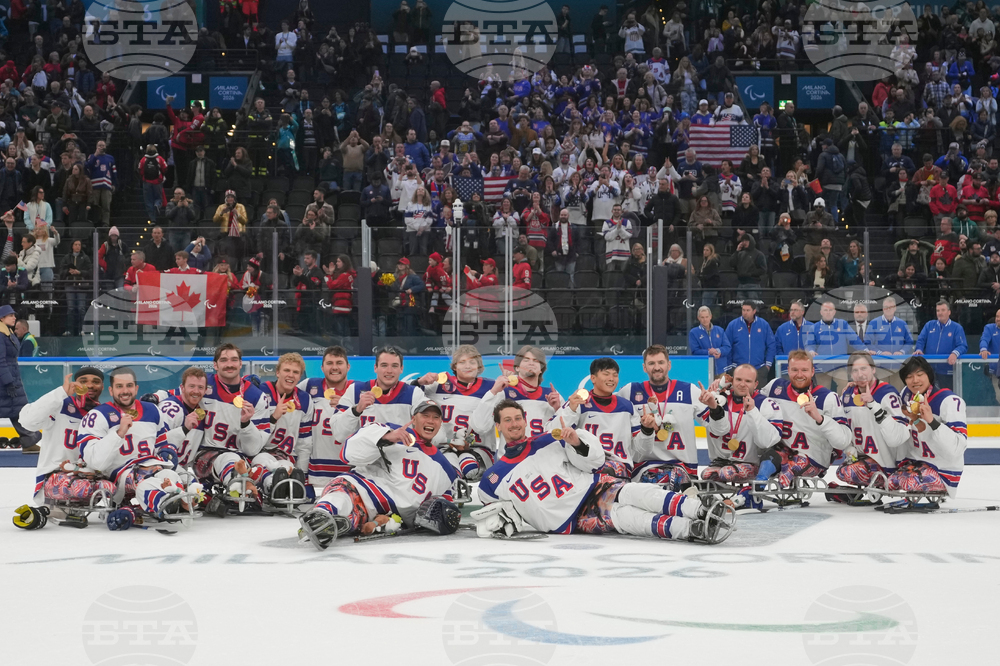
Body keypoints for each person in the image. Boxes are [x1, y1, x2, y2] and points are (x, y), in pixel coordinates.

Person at [473, 399, 732, 543]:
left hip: (592, 486)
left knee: (639, 493)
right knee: (629, 520)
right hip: (570, 520)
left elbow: (594, 460)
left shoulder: (548, 440)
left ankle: (699, 510)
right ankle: (691, 530)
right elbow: (491, 516)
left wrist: (576, 442)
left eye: (517, 418)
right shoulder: (490, 480)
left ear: (525, 421)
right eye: (507, 420)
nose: (514, 424)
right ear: (498, 425)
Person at [298, 400, 461, 549]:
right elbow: (348, 453)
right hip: (362, 488)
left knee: (355, 517)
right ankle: (322, 515)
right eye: (425, 415)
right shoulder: (390, 431)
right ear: (414, 418)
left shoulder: (446, 469)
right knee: (342, 494)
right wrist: (386, 438)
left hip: (385, 513)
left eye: (435, 417)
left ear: (440, 423)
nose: (430, 421)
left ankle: (338, 523)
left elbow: (443, 507)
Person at [75, 367, 194, 529]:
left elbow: (161, 443)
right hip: (122, 475)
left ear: (136, 388)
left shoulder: (152, 410)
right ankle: (166, 504)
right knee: (145, 483)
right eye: (119, 386)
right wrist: (119, 433)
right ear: (110, 390)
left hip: (153, 466)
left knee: (170, 473)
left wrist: (167, 451)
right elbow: (96, 462)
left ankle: (181, 499)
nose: (125, 391)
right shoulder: (98, 415)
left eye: (129, 385)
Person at [615, 345, 708, 489]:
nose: (656, 367)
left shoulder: (689, 391)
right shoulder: (631, 391)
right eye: (651, 363)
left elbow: (716, 427)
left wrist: (715, 407)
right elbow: (605, 404)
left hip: (683, 467)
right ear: (644, 367)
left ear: (669, 365)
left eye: (661, 362)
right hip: (643, 467)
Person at [757, 350, 853, 490]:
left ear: (812, 371)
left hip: (813, 458)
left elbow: (843, 441)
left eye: (804, 370)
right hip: (782, 451)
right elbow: (751, 400)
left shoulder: (827, 398)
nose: (799, 374)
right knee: (765, 460)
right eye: (795, 370)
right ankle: (753, 493)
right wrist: (726, 389)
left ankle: (754, 494)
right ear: (788, 370)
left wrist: (820, 419)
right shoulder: (774, 387)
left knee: (789, 468)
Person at [550, 357, 656, 477]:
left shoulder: (627, 407)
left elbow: (643, 450)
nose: (611, 379)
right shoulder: (578, 403)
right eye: (606, 374)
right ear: (593, 378)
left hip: (619, 471)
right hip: (585, 470)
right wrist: (571, 410)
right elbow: (552, 432)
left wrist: (647, 430)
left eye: (615, 375)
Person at [19, 368, 105, 505]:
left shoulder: (103, 414)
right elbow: (27, 422)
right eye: (83, 381)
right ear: (75, 384)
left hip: (86, 478)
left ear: (102, 387)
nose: (90, 385)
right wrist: (61, 392)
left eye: (96, 382)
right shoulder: (59, 405)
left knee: (111, 487)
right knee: (84, 488)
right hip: (55, 478)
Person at [830, 353, 910, 499]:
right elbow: (842, 427)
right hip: (861, 456)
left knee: (848, 473)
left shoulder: (887, 393)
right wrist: (848, 448)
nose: (860, 374)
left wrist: (873, 405)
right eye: (855, 371)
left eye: (864, 369)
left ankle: (888, 479)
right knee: (841, 471)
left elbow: (898, 434)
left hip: (884, 461)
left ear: (873, 369)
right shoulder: (848, 394)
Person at [416, 345, 497, 480]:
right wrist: (419, 382)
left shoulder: (492, 387)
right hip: (445, 446)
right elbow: (407, 393)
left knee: (471, 469)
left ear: (479, 366)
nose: (468, 366)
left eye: (472, 362)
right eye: (462, 362)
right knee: (445, 471)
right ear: (454, 366)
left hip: (478, 447)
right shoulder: (438, 385)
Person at [699, 364, 781, 492]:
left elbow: (767, 442)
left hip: (749, 463)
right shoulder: (718, 398)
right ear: (732, 381)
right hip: (721, 461)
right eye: (738, 380)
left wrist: (752, 411)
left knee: (727, 473)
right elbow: (717, 431)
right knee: (706, 474)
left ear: (756, 384)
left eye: (748, 381)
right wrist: (714, 407)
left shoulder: (765, 404)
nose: (742, 384)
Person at [893, 356, 967, 500]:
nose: (915, 380)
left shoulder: (949, 401)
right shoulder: (906, 395)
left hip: (942, 470)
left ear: (929, 375)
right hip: (917, 464)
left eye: (920, 375)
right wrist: (858, 387)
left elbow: (958, 448)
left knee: (907, 482)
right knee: (890, 480)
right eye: (909, 377)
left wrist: (932, 421)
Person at [331, 347, 428, 442]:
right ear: (375, 368)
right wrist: (356, 410)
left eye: (394, 366)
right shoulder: (355, 390)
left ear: (401, 369)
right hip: (366, 457)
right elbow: (339, 435)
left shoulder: (414, 393)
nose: (389, 370)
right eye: (384, 365)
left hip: (400, 456)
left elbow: (429, 430)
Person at [473, 345, 562, 444]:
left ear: (541, 369)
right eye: (526, 360)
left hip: (542, 456)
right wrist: (493, 391)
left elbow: (566, 429)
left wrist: (558, 409)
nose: (531, 363)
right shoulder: (503, 392)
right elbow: (480, 427)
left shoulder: (553, 395)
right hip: (511, 457)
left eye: (536, 361)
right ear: (517, 368)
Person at [914, 300, 968, 389]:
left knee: (946, 397)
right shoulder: (929, 325)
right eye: (938, 311)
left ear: (949, 312)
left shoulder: (957, 328)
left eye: (943, 310)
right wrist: (919, 349)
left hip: (947, 371)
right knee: (929, 397)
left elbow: (963, 346)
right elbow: (921, 340)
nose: (940, 313)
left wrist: (954, 353)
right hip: (929, 370)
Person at [723, 301, 776, 385]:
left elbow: (772, 345)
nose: (745, 313)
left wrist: (767, 365)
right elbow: (726, 346)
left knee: (759, 397)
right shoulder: (733, 325)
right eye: (743, 310)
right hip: (737, 369)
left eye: (748, 310)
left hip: (759, 369)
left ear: (754, 311)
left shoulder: (763, 325)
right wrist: (730, 367)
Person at [602, 203, 632, 270]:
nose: (616, 211)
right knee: (610, 276)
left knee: (624, 276)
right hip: (611, 254)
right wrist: (617, 229)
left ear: (621, 211)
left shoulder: (627, 222)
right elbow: (607, 237)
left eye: (618, 210)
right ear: (612, 211)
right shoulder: (607, 223)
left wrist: (620, 229)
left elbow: (628, 235)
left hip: (624, 253)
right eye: (615, 210)